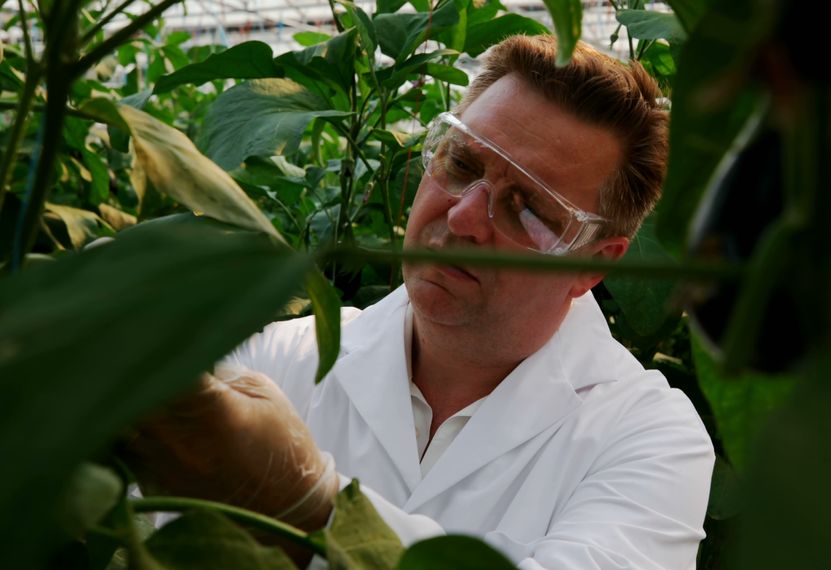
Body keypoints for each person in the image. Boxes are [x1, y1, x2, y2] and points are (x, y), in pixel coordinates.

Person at [128, 35, 714, 569]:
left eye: (529, 209)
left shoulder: (647, 437)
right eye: (461, 163)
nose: (462, 217)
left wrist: (317, 508)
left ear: (593, 263)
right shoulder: (278, 361)